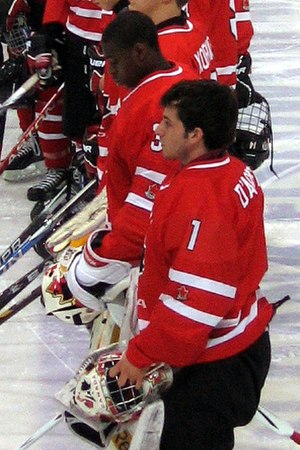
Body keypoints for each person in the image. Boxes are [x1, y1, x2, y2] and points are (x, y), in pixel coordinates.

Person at [109, 80, 273, 449]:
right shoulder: (227, 170)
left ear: (195, 134)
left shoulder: (201, 201)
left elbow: (196, 304)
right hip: (230, 347)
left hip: (214, 366)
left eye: (167, 123)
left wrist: (140, 354)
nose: (158, 130)